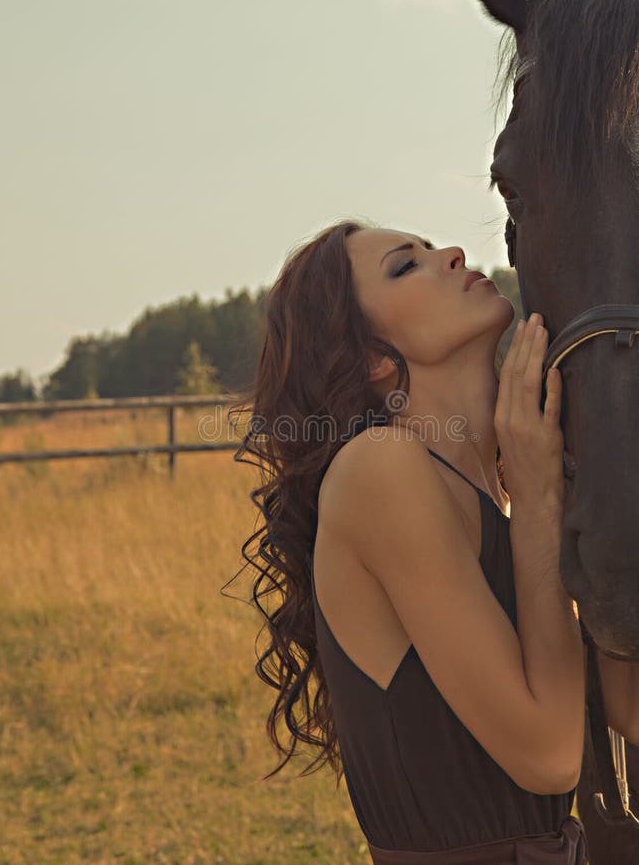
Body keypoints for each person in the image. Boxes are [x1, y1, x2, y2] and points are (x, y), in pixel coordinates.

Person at [225, 218, 588, 864]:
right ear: (369, 356)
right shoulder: (381, 468)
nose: (451, 253)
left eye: (431, 247)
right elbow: (550, 759)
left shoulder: (504, 482)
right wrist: (538, 507)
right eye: (405, 265)